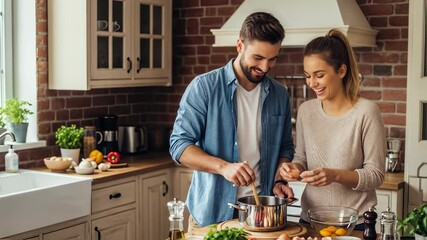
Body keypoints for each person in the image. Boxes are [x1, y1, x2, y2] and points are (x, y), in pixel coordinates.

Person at [169, 12, 295, 228]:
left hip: (261, 217)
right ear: (240, 46)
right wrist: (224, 167)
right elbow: (179, 146)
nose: (265, 68)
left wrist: (279, 180)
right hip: (212, 214)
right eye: (258, 58)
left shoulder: (279, 94)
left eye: (272, 59)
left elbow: (285, 147)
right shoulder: (204, 88)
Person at [279, 29, 386, 229]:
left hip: (355, 224)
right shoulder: (306, 110)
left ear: (341, 71)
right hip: (309, 220)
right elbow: (301, 157)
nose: (312, 83)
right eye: (307, 76)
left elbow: (375, 175)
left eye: (319, 75)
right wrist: (294, 168)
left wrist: (335, 175)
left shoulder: (367, 112)